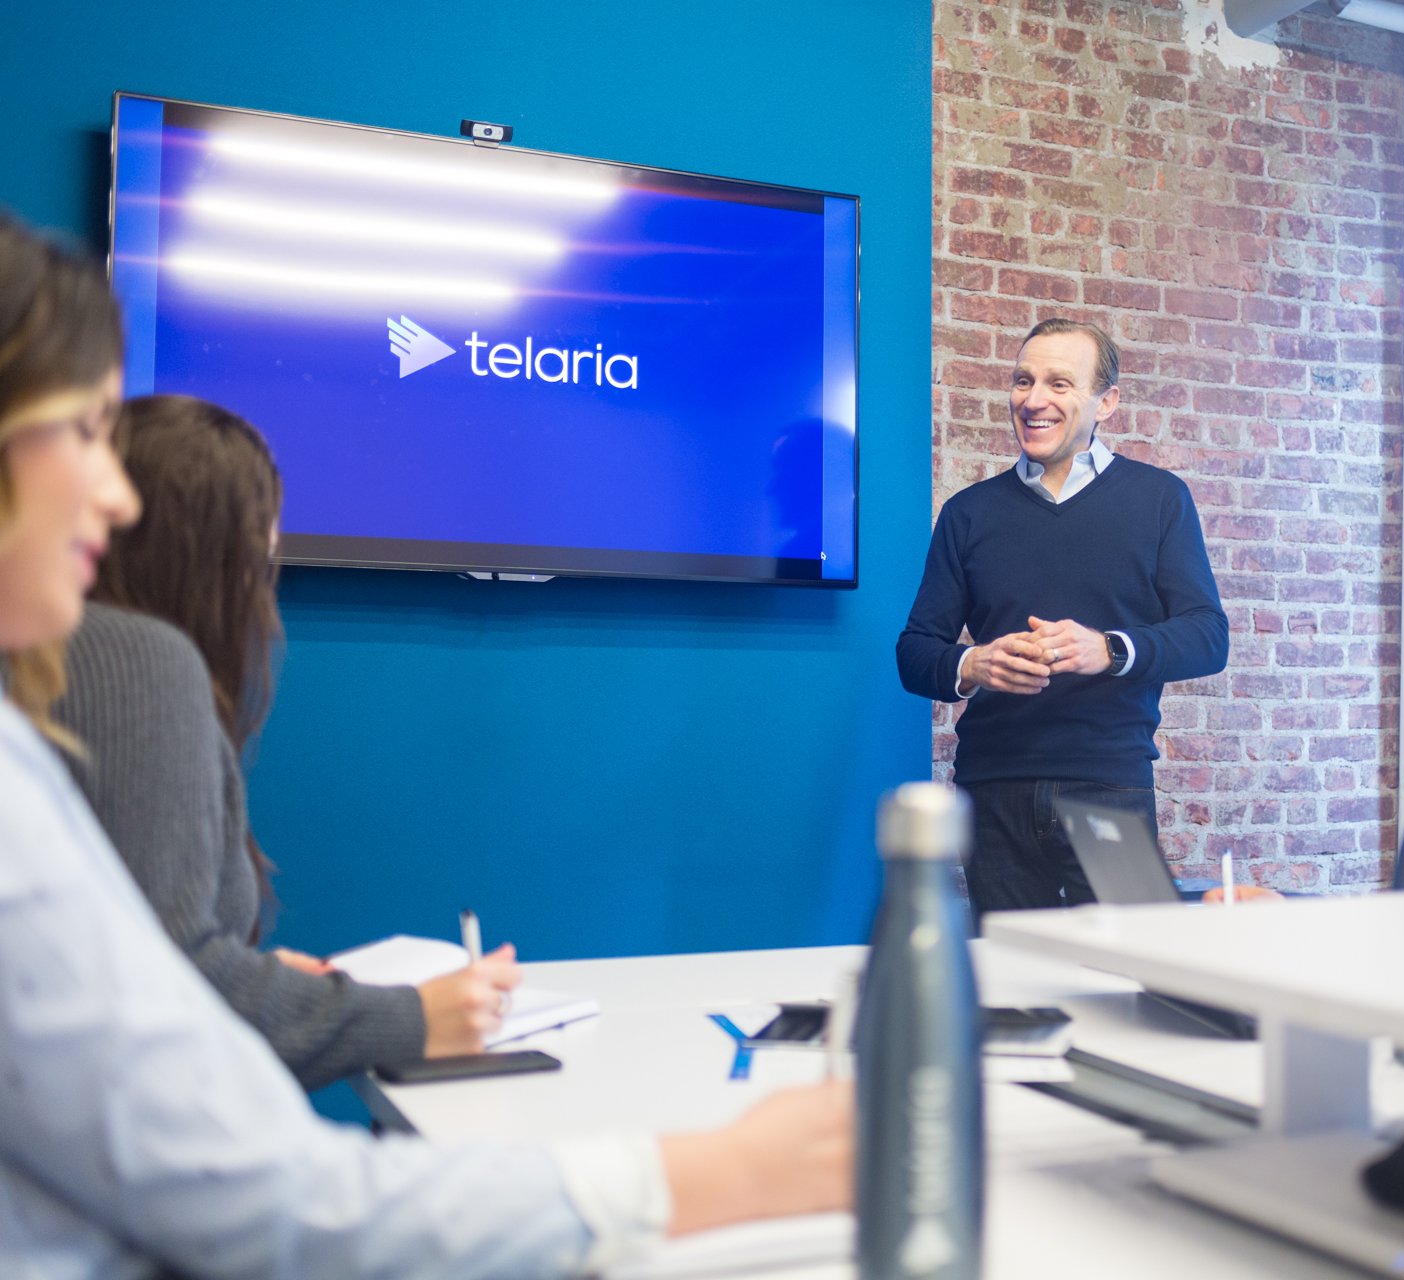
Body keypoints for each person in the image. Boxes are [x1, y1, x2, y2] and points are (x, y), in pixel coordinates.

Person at [0, 215, 848, 1275]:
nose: (111, 491)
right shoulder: (123, 674)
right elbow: (261, 1199)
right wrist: (725, 1172)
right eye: (80, 429)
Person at [51, 395, 514, 1089]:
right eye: (262, 556)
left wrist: (260, 984)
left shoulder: (64, 661)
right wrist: (416, 1019)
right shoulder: (138, 663)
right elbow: (166, 979)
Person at [897, 318, 1229, 912]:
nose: (1033, 399)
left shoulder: (1159, 500)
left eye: (1058, 383)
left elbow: (1209, 636)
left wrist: (1109, 649)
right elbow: (916, 652)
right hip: (991, 792)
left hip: (1110, 787)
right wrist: (976, 663)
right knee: (1012, 986)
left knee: (1126, 976)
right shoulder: (967, 514)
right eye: (1023, 381)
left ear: (1107, 403)